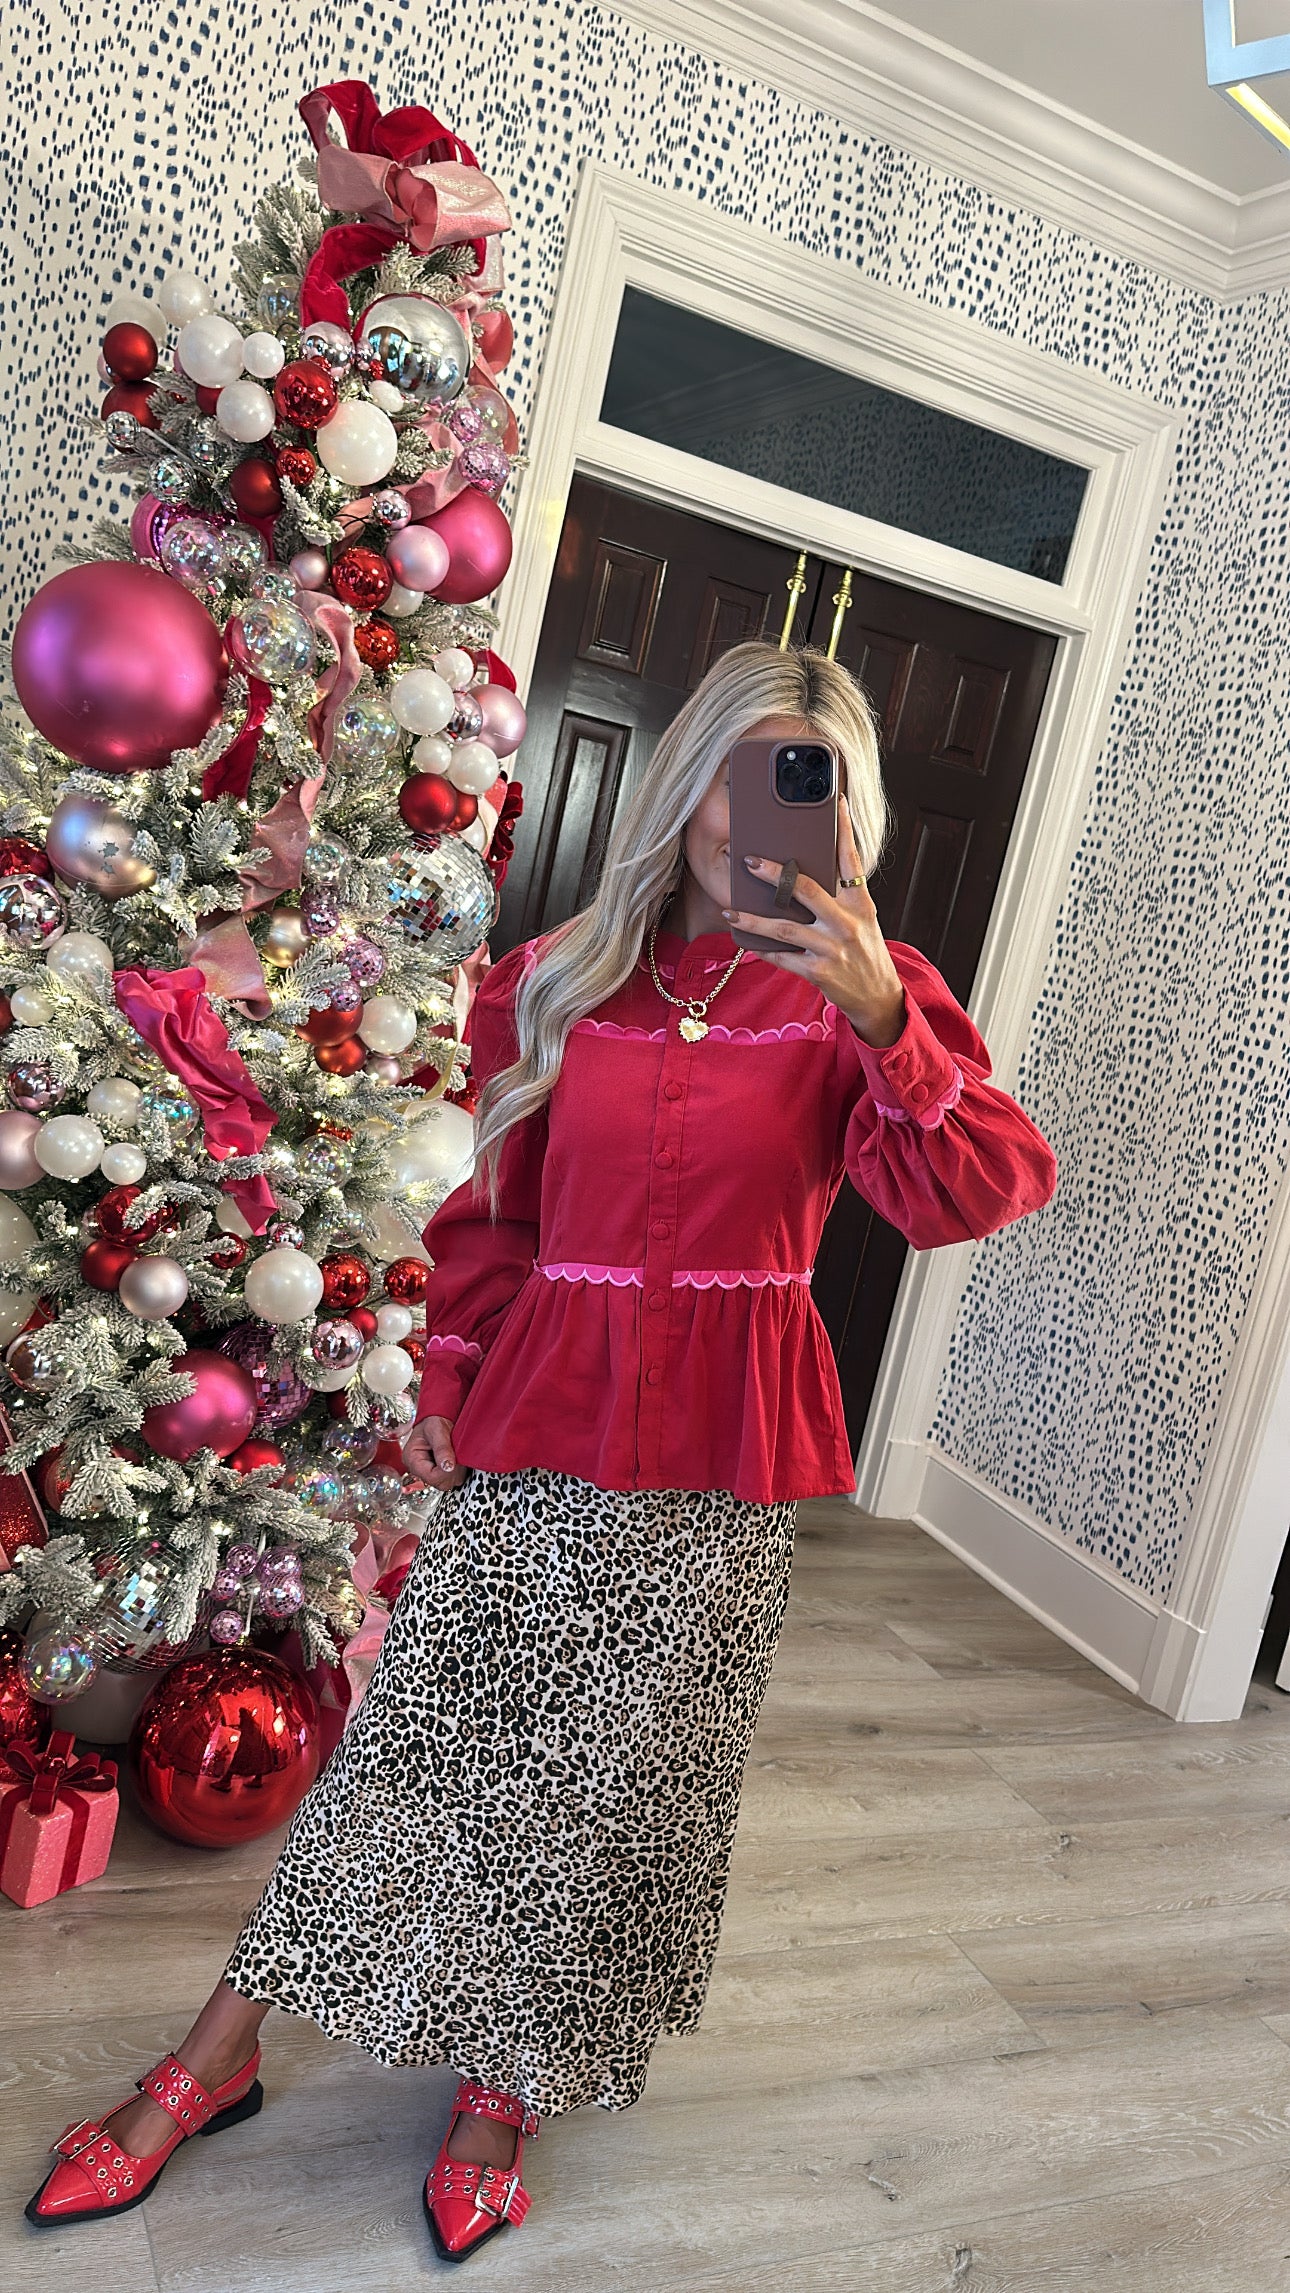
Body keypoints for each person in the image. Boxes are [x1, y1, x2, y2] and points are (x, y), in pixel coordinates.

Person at [26, 642, 1058, 2259]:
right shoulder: (559, 977)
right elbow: (490, 1210)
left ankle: (504, 2087)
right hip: (545, 1419)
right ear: (688, 782)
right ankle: (213, 2055)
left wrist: (884, 1018)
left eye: (804, 786)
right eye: (741, 775)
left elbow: (982, 1189)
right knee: (414, 1750)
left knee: (617, 1789)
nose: (758, 819)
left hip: (719, 1460)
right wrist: (451, 1360)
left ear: (842, 815)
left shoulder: (865, 997)